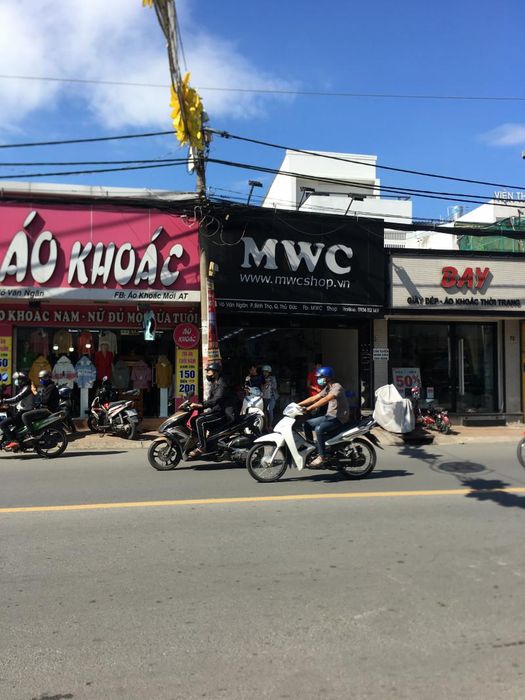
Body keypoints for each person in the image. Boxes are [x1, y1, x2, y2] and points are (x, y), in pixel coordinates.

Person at [299, 366, 350, 468]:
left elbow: (326, 399)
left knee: (319, 429)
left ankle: (322, 456)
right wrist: (297, 405)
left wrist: (309, 408)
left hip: (338, 418)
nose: (319, 379)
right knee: (307, 424)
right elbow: (314, 398)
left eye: (320, 377)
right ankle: (313, 448)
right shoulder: (327, 388)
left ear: (327, 377)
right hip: (329, 416)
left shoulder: (337, 387)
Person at [189, 363, 238, 458]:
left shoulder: (222, 384)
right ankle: (200, 441)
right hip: (217, 411)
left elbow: (216, 399)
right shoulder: (214, 383)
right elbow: (210, 400)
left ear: (215, 373)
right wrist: (199, 405)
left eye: (209, 371)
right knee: (194, 419)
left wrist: (201, 405)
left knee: (200, 421)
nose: (207, 373)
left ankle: (202, 447)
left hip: (225, 414)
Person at [0, 372, 35, 449]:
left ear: (22, 380)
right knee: (13, 428)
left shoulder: (27, 388)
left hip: (24, 412)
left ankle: (13, 441)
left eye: (18, 380)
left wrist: (4, 401)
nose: (16, 381)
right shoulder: (24, 388)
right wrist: (7, 404)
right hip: (21, 412)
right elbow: (17, 401)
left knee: (3, 424)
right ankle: (18, 444)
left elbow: (17, 398)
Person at [21, 370, 60, 437]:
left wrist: (36, 393)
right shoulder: (47, 387)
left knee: (24, 416)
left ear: (46, 378)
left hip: (48, 410)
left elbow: (44, 400)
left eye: (41, 379)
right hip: (46, 408)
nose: (40, 380)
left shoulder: (51, 387)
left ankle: (34, 434)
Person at [261, 364, 279, 430]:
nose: (265, 373)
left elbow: (275, 387)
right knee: (265, 411)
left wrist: (270, 382)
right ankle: (266, 426)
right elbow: (261, 388)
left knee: (270, 410)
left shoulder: (272, 378)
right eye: (264, 371)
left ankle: (270, 425)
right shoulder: (261, 378)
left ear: (269, 372)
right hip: (264, 397)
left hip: (272, 397)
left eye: (266, 372)